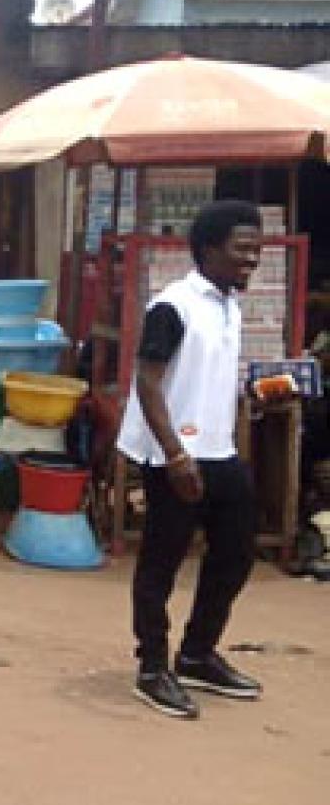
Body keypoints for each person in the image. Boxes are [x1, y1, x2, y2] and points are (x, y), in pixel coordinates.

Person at [118, 199, 281, 720]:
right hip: (176, 455)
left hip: (218, 452)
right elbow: (146, 381)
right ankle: (152, 666)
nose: (252, 259)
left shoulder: (228, 303)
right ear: (209, 249)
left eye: (257, 250)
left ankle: (196, 653)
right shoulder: (174, 305)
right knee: (161, 562)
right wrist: (173, 455)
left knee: (236, 552)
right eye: (242, 249)